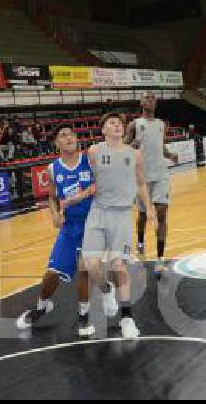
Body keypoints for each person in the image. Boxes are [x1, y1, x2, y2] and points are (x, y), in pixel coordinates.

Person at [82, 113, 157, 339]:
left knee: (118, 266)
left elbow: (141, 182)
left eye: (119, 123)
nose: (117, 126)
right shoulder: (94, 152)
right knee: (91, 264)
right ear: (103, 130)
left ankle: (127, 317)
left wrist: (150, 208)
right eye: (111, 123)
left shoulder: (135, 154)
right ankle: (106, 291)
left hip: (122, 215)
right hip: (98, 212)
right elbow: (86, 179)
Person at [16, 125, 95, 337]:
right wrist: (54, 213)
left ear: (77, 139)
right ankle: (42, 306)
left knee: (84, 268)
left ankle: (84, 312)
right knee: (52, 274)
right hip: (70, 227)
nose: (68, 137)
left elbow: (102, 185)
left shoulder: (90, 159)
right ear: (56, 143)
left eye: (71, 134)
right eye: (63, 135)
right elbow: (51, 196)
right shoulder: (52, 169)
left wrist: (85, 194)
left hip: (93, 224)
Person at [125, 92, 178, 278]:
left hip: (161, 175)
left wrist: (170, 155)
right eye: (146, 98)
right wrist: (131, 143)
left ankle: (160, 260)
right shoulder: (134, 125)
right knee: (142, 217)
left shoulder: (161, 124)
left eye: (153, 98)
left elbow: (160, 146)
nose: (150, 100)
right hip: (142, 178)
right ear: (141, 103)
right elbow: (123, 148)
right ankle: (140, 241)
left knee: (162, 212)